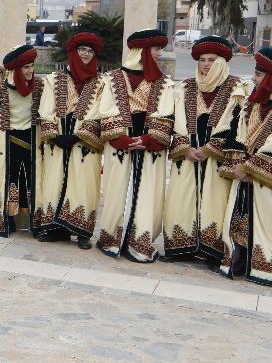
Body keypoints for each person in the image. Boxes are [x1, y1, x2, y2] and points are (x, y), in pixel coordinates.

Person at [94, 30, 174, 263]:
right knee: (117, 189)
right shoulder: (113, 78)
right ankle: (112, 239)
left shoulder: (164, 82)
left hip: (150, 146)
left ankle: (140, 242)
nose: (159, 54)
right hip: (120, 144)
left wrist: (150, 138)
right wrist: (121, 138)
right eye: (156, 49)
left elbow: (167, 112)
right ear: (143, 51)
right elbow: (106, 109)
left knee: (147, 191)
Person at [164, 36, 243, 262]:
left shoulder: (237, 88)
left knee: (214, 202)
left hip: (217, 159)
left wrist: (210, 149)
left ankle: (212, 253)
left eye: (212, 60)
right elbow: (174, 120)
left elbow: (238, 126)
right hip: (187, 156)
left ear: (222, 62)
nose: (206, 64)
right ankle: (180, 248)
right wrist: (185, 149)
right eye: (202, 60)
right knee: (182, 200)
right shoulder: (185, 86)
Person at [36, 30, 106, 249]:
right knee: (55, 180)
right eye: (82, 49)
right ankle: (57, 229)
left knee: (84, 183)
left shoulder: (101, 83)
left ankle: (82, 232)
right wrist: (55, 136)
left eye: (90, 51)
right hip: (57, 139)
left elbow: (99, 111)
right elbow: (45, 107)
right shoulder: (54, 79)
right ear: (73, 52)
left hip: (84, 143)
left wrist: (77, 135)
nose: (85, 54)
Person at [218, 47, 272, 284]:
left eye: (259, 74)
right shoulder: (253, 104)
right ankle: (241, 260)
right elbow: (238, 135)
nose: (253, 78)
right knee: (239, 218)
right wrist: (240, 166)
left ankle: (262, 264)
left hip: (263, 179)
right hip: (245, 176)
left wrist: (251, 168)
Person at [0, 44, 44, 237]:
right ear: (17, 69)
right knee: (10, 181)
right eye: (25, 67)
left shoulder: (39, 87)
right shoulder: (0, 91)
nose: (30, 71)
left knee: (31, 181)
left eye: (32, 66)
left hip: (31, 140)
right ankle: (9, 219)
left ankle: (33, 222)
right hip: (8, 142)